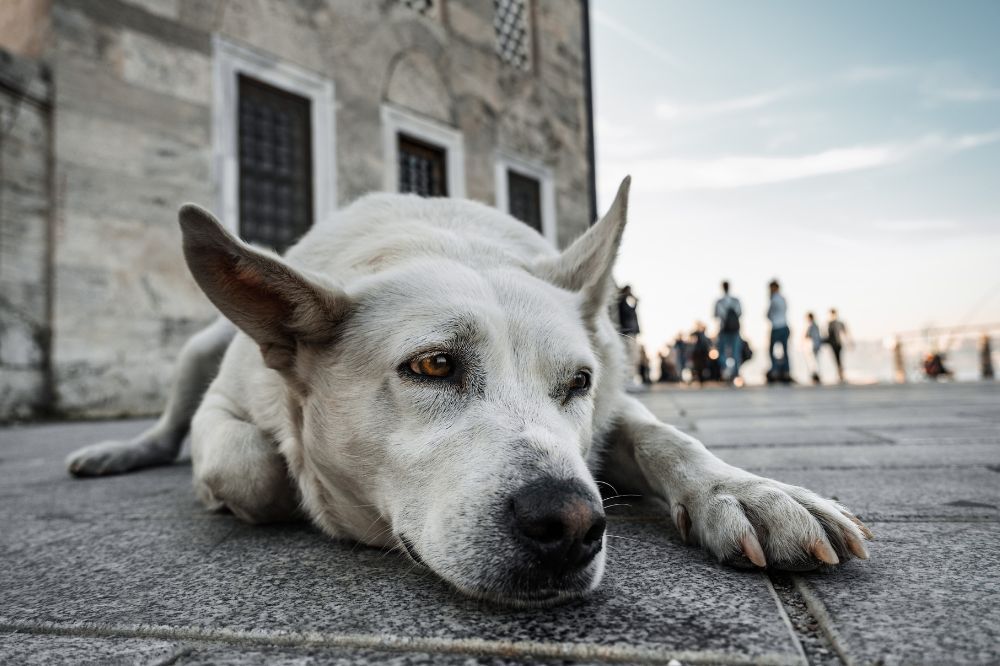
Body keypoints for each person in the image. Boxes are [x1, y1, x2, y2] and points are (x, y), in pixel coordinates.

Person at [713, 281, 742, 382]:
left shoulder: (719, 302)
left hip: (724, 329)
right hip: (735, 330)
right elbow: (740, 313)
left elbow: (715, 315)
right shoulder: (736, 301)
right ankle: (735, 373)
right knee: (735, 352)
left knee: (721, 352)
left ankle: (725, 371)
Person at [766, 280, 791, 383]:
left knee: (772, 350)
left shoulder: (774, 299)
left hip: (777, 327)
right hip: (784, 326)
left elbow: (769, 314)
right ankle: (786, 371)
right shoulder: (783, 299)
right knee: (785, 350)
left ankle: (775, 370)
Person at [826, 308, 851, 383]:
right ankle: (840, 374)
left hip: (837, 344)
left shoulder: (837, 323)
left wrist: (849, 342)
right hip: (834, 344)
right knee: (837, 359)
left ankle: (841, 374)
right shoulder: (830, 323)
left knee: (838, 359)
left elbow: (845, 332)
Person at [805, 312, 823, 384]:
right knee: (816, 361)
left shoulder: (810, 325)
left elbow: (807, 335)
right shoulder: (816, 325)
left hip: (812, 346)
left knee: (812, 362)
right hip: (817, 345)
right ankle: (816, 375)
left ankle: (814, 376)